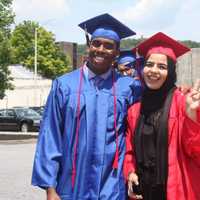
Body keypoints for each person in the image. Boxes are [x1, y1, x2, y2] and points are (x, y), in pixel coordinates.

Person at [32, 13, 141, 200]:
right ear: (89, 46)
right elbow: (50, 136)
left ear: (116, 53)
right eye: (96, 43)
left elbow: (139, 132)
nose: (101, 49)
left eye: (109, 46)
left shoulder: (128, 87)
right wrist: (50, 188)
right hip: (72, 184)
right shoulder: (64, 86)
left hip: (113, 185)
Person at [123, 32, 200, 200]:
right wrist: (129, 171)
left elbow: (196, 151)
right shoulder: (135, 111)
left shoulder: (183, 103)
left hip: (174, 190)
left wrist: (192, 117)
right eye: (149, 64)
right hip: (143, 192)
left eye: (162, 67)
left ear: (171, 72)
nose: (153, 71)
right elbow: (129, 151)